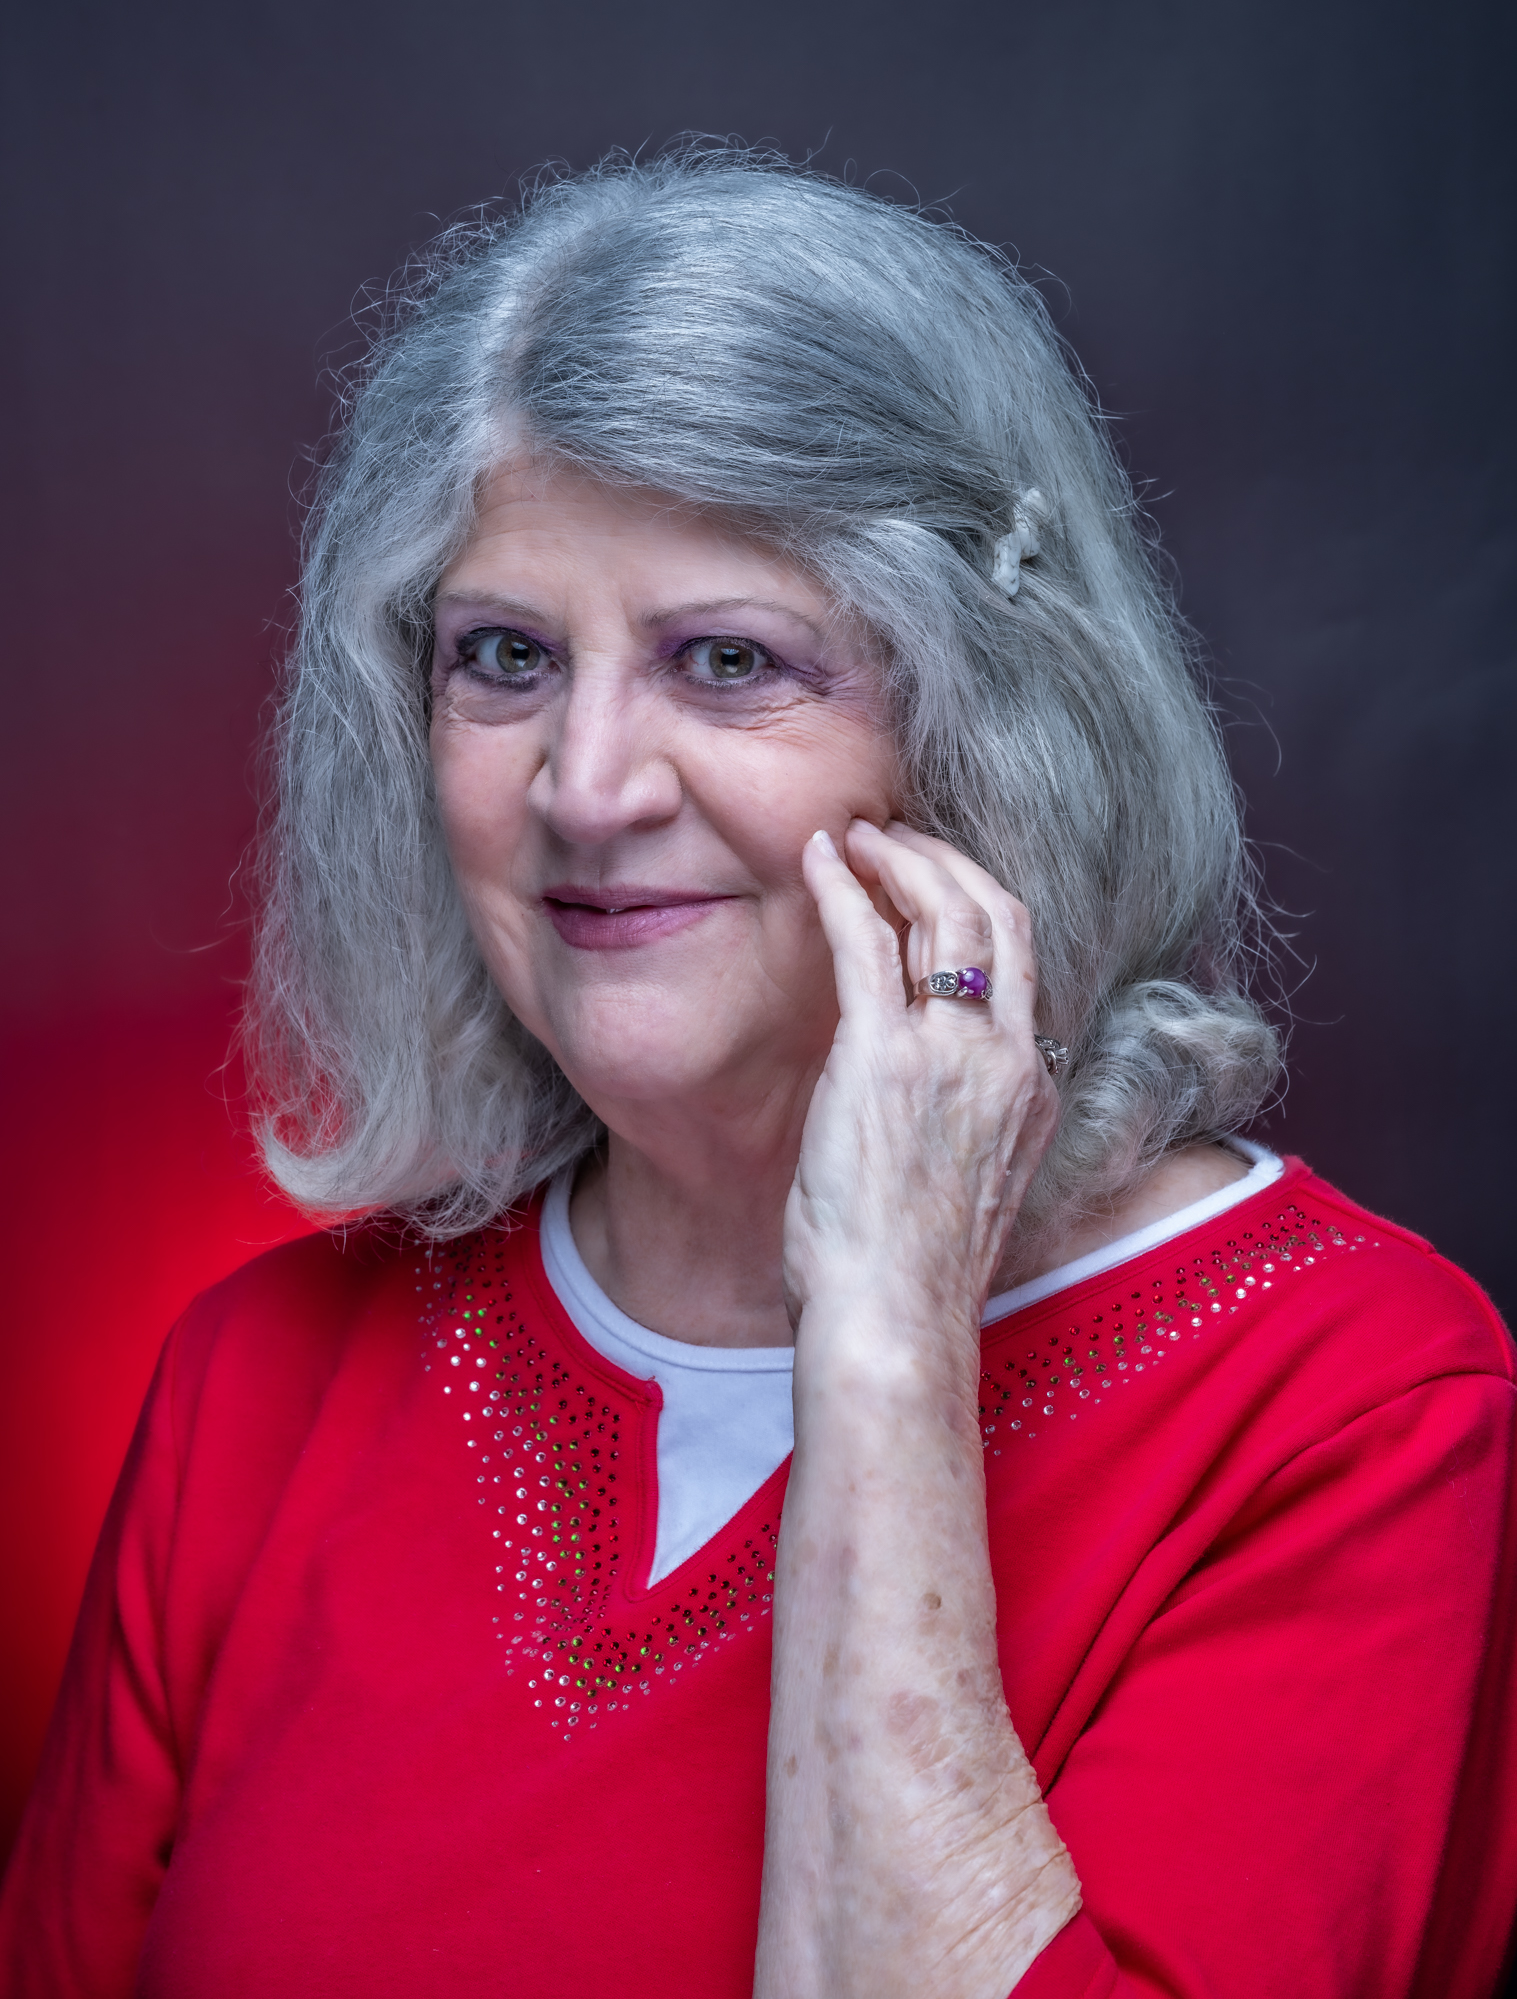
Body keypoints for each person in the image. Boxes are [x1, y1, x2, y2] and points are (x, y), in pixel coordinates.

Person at [2, 147, 1513, 1999]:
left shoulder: (1353, 1408)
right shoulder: (255, 1382)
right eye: (505, 657)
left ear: (985, 726)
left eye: (726, 660)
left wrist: (880, 1332)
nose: (586, 786)